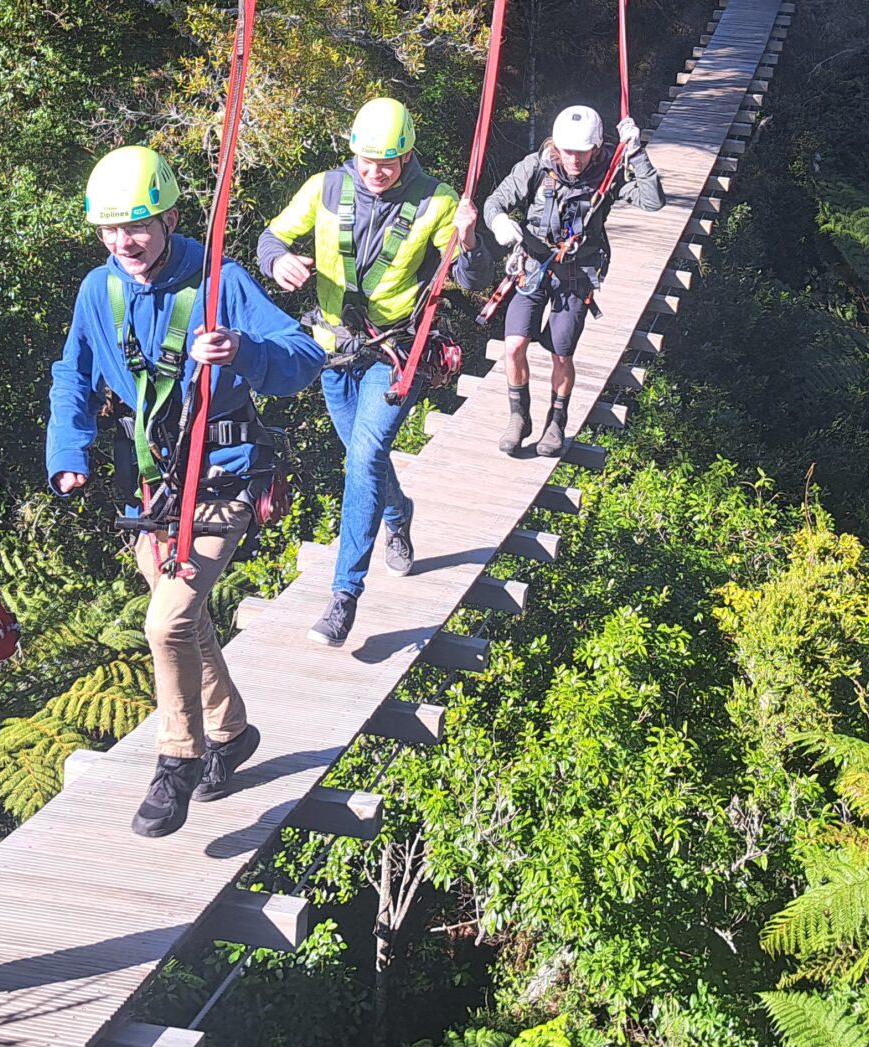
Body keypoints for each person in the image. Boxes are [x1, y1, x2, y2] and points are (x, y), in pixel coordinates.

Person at [46, 146, 327, 838]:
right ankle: (230, 731)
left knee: (165, 621)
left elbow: (303, 359)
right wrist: (67, 450)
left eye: (137, 226)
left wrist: (243, 350)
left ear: (169, 217)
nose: (124, 242)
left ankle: (177, 758)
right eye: (110, 230)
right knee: (187, 620)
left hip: (223, 476)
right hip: (151, 484)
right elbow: (73, 376)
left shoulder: (220, 282)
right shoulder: (97, 290)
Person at [257, 97, 490, 648]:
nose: (376, 171)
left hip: (394, 353)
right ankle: (398, 513)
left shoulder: (437, 201)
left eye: (388, 162)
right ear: (353, 153)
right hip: (333, 351)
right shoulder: (325, 189)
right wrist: (278, 262)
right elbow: (271, 238)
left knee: (363, 457)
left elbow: (473, 277)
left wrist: (471, 235)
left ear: (408, 155)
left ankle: (344, 596)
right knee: (362, 457)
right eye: (366, 160)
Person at [482, 107, 663, 456]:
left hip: (576, 276)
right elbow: (495, 201)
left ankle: (556, 421)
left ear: (596, 148)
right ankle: (519, 417)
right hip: (533, 268)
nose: (574, 159)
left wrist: (637, 152)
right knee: (514, 345)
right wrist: (499, 221)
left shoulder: (608, 175)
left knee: (561, 354)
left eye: (582, 152)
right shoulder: (536, 167)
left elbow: (653, 202)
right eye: (568, 151)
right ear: (556, 147)